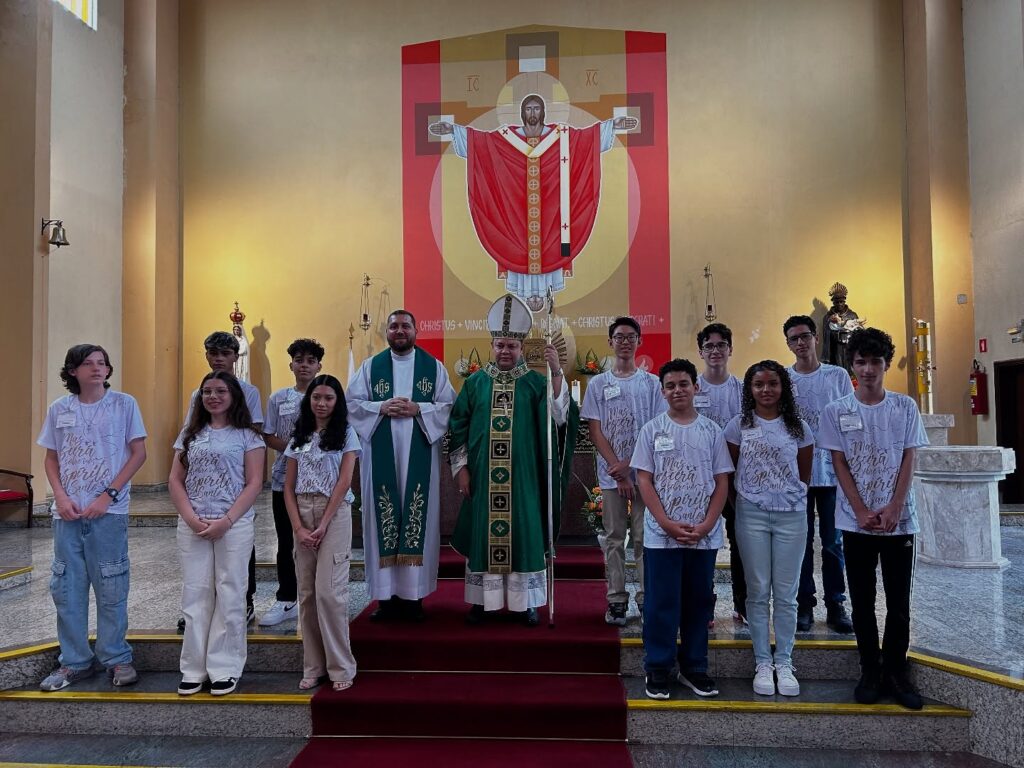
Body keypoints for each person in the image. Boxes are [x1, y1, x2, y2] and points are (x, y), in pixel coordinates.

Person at [429, 96, 637, 306]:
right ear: (522, 113)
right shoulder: (506, 137)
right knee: (518, 247)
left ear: (543, 112)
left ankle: (546, 288)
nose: (532, 113)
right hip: (516, 217)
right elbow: (481, 143)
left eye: (536, 108)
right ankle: (525, 289)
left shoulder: (561, 136)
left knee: (553, 247)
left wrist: (613, 126)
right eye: (528, 109)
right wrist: (452, 130)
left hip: (553, 217)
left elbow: (586, 140)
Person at [449, 293, 579, 626]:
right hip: (482, 476)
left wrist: (555, 373)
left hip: (523, 479)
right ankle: (482, 601)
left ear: (521, 349)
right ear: (492, 346)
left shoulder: (535, 384)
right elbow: (458, 424)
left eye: (512, 346)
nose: (505, 351)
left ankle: (526, 602)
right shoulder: (475, 384)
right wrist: (461, 468)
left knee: (523, 533)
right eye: (500, 345)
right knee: (484, 536)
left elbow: (560, 419)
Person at [818, 328, 929, 710]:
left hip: (900, 521)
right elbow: (838, 463)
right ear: (852, 365)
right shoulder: (837, 411)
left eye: (875, 362)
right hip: (855, 522)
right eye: (861, 362)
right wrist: (862, 510)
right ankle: (869, 669)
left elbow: (909, 457)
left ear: (885, 365)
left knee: (899, 602)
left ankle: (896, 672)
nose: (868, 369)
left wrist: (896, 506)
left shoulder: (904, 407)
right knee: (862, 601)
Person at [37, 344, 148, 691]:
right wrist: (60, 495)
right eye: (88, 364)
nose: (97, 369)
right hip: (67, 513)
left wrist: (108, 494)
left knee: (111, 584)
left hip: (108, 511)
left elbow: (138, 453)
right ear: (73, 371)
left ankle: (116, 657)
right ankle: (74, 662)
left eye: (102, 363)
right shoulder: (60, 409)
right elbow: (51, 458)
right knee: (67, 588)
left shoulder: (123, 404)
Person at [632, 359, 733, 700]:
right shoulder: (652, 430)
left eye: (684, 384)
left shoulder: (711, 431)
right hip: (663, 536)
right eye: (671, 385)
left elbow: (722, 481)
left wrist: (706, 525)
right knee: (661, 603)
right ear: (662, 392)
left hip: (702, 536)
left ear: (695, 387)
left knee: (698, 602)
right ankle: (658, 667)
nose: (678, 390)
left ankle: (694, 667)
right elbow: (644, 479)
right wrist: (665, 523)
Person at [346, 310, 455, 621]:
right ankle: (385, 598)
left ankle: (413, 597)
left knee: (417, 516)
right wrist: (380, 406)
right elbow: (350, 404)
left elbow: (449, 407)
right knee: (381, 518)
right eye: (394, 326)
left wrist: (418, 408)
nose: (399, 330)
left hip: (419, 455)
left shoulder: (432, 367)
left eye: (405, 325)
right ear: (387, 331)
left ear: (415, 330)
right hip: (379, 460)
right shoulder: (370, 368)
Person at [169, 371, 265, 696]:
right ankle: (194, 668)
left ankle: (225, 666)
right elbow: (174, 480)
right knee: (195, 593)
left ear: (233, 395)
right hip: (193, 523)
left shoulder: (248, 436)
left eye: (220, 390)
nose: (213, 396)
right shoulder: (190, 434)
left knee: (230, 591)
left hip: (233, 525)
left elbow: (254, 483)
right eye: (207, 391)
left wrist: (227, 520)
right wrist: (192, 519)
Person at [724, 361, 813, 697]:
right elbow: (729, 472)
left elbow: (804, 473)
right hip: (752, 515)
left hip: (791, 515)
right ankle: (763, 660)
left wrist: (787, 497)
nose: (765, 390)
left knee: (787, 594)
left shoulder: (799, 427)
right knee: (758, 591)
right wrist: (745, 505)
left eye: (772, 383)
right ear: (750, 389)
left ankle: (785, 661)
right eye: (758, 384)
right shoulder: (738, 426)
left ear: (783, 387)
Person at [580, 316, 664, 626]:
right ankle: (616, 599)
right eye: (619, 336)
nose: (625, 341)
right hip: (611, 474)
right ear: (610, 342)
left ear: (639, 341)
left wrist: (631, 466)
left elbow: (655, 430)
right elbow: (595, 430)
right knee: (614, 537)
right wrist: (618, 470)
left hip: (644, 474)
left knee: (644, 537)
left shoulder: (653, 384)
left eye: (631, 336)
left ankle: (646, 598)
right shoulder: (599, 384)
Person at [181, 331, 263, 628]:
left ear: (234, 357)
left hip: (235, 477)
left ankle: (245, 601)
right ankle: (199, 611)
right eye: (213, 353)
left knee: (239, 554)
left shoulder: (248, 391)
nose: (218, 358)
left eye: (224, 353)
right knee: (199, 569)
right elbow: (192, 429)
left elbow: (252, 430)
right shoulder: (198, 393)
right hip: (204, 480)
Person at [284, 375, 360, 692]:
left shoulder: (346, 434)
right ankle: (313, 665)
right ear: (309, 400)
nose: (322, 403)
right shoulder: (299, 435)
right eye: (317, 397)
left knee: (330, 592)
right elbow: (287, 486)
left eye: (329, 398)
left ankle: (341, 666)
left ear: (337, 401)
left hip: (335, 513)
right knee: (308, 594)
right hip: (302, 510)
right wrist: (299, 527)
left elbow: (344, 482)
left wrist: (324, 522)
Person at [783, 315, 854, 634]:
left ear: (815, 338)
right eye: (794, 338)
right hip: (796, 475)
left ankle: (836, 603)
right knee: (800, 543)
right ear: (787, 343)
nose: (801, 342)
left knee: (832, 543)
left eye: (805, 336)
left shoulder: (836, 375)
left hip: (832, 473)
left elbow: (850, 420)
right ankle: (804, 605)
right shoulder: (784, 378)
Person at [259, 338, 324, 627]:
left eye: (311, 360)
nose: (305, 365)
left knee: (320, 542)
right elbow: (268, 435)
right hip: (284, 480)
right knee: (286, 540)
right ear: (291, 365)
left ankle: (321, 599)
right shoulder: (279, 398)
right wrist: (296, 449)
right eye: (299, 360)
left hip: (319, 483)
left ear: (319, 365)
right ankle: (286, 598)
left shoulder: (326, 395)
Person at [695, 322, 746, 625]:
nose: (715, 350)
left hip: (738, 478)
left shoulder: (742, 389)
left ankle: (742, 604)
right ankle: (704, 604)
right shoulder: (693, 387)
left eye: (721, 345)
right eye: (709, 346)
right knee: (704, 543)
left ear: (730, 349)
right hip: (703, 480)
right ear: (701, 351)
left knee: (741, 542)